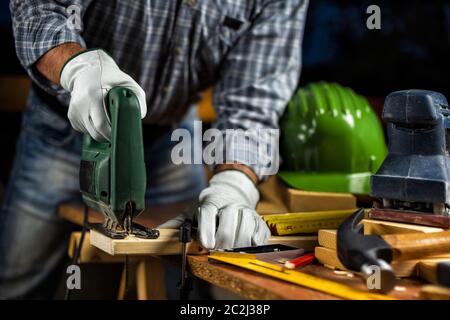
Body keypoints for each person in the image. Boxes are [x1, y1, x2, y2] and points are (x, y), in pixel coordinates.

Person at [0, 0, 308, 299]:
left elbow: (252, 103)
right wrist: (76, 67)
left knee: (187, 269)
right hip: (64, 127)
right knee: (18, 276)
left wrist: (234, 184)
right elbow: (38, 9)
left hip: (172, 139)